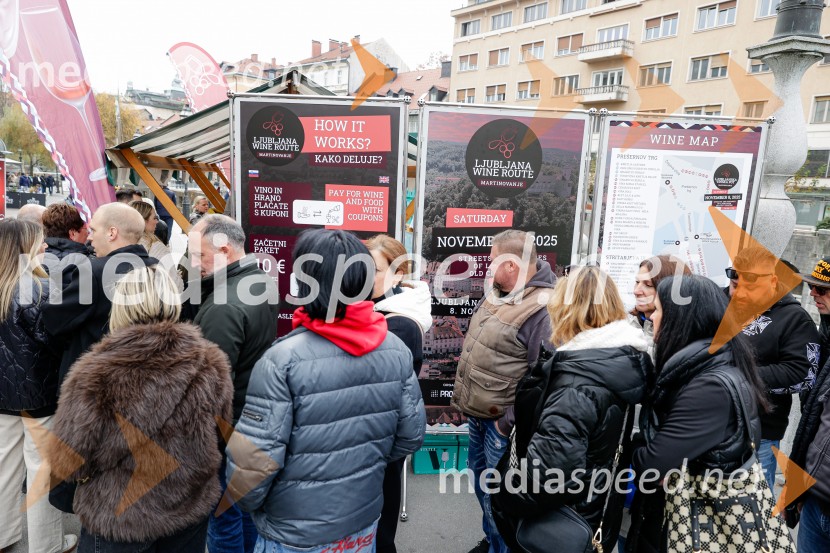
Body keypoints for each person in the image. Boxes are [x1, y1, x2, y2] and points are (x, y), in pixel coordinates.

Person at [227, 228, 426, 552]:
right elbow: (411, 435)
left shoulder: (281, 360)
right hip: (362, 525)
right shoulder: (394, 347)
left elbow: (248, 473)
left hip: (294, 533)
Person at [47, 266, 233, 553]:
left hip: (118, 516)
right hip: (187, 505)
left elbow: (68, 459)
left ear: (120, 305)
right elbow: (220, 434)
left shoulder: (95, 373)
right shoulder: (210, 362)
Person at [492, 266, 650, 552]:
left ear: (566, 310)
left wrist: (504, 496)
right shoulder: (621, 359)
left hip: (561, 523)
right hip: (595, 512)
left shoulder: (577, 383)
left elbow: (548, 477)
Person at [627, 275, 769, 553]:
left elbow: (652, 465)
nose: (652, 317)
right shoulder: (707, 366)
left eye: (658, 310)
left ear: (681, 319)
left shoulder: (709, 386)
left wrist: (635, 445)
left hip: (691, 528)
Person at [452, 229, 557, 553]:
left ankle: (502, 545)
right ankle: (493, 541)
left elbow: (544, 377)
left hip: (502, 428)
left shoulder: (542, 308)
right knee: (485, 492)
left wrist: (506, 423)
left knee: (502, 501)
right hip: (479, 417)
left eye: (494, 261)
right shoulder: (500, 292)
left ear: (512, 264)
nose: (488, 267)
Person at [187, 214, 279, 553]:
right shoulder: (258, 280)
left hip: (225, 429)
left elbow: (207, 385)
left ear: (225, 249)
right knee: (241, 514)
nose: (194, 264)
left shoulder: (224, 306)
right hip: (247, 421)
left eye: (199, 256)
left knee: (223, 519)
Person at [0, 219, 77, 553]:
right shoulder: (39, 289)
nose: (46, 246)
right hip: (39, 393)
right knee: (41, 474)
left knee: (3, 471)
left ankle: (3, 537)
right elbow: (54, 341)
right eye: (40, 242)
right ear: (25, 247)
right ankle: (47, 546)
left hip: (2, 396)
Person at [726, 247, 821, 492]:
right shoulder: (719, 302)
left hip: (758, 436)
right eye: (735, 284)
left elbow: (803, 374)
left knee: (752, 513)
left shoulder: (794, 318)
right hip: (708, 425)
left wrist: (735, 375)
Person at [366, 234, 432, 553]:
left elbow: (384, 387)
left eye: (375, 269)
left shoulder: (400, 323)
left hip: (383, 434)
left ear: (399, 274)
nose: (368, 276)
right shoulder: (376, 308)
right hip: (374, 433)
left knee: (380, 520)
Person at [42, 203, 157, 384]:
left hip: (93, 380)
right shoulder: (158, 267)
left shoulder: (93, 270)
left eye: (94, 230)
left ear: (112, 233)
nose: (90, 239)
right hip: (144, 376)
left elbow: (54, 320)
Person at [786, 255, 830, 552]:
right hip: (816, 498)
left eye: (822, 289)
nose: (812, 293)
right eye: (812, 287)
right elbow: (812, 421)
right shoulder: (823, 336)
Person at [630, 255, 691, 351]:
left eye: (648, 285)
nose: (636, 291)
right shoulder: (620, 326)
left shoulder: (684, 341)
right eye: (637, 282)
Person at [154, 172, 177, 242]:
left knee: (159, 228)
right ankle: (167, 241)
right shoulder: (172, 193)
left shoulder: (157, 193)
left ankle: (160, 241)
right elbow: (174, 205)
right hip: (169, 215)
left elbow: (155, 204)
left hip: (159, 214)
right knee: (168, 229)